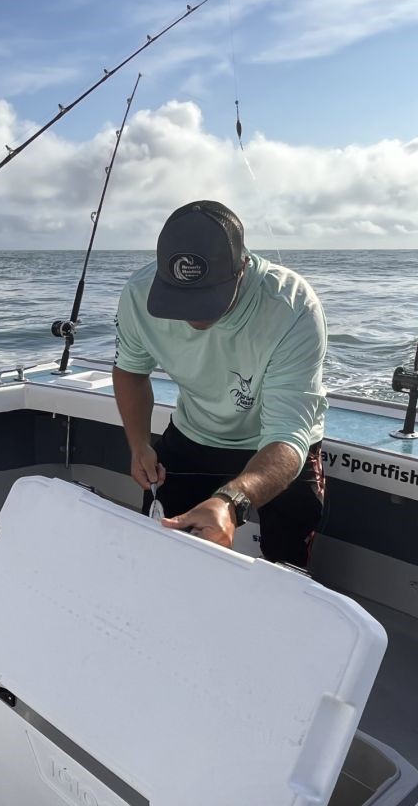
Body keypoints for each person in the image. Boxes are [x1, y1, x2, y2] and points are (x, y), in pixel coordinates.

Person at [112, 200, 327, 567]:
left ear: (243, 267)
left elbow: (287, 435)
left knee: (286, 566)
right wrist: (138, 444)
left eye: (207, 299)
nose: (194, 316)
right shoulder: (138, 294)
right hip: (195, 432)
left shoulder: (292, 306)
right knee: (160, 546)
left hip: (277, 446)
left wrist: (232, 502)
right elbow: (131, 370)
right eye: (180, 300)